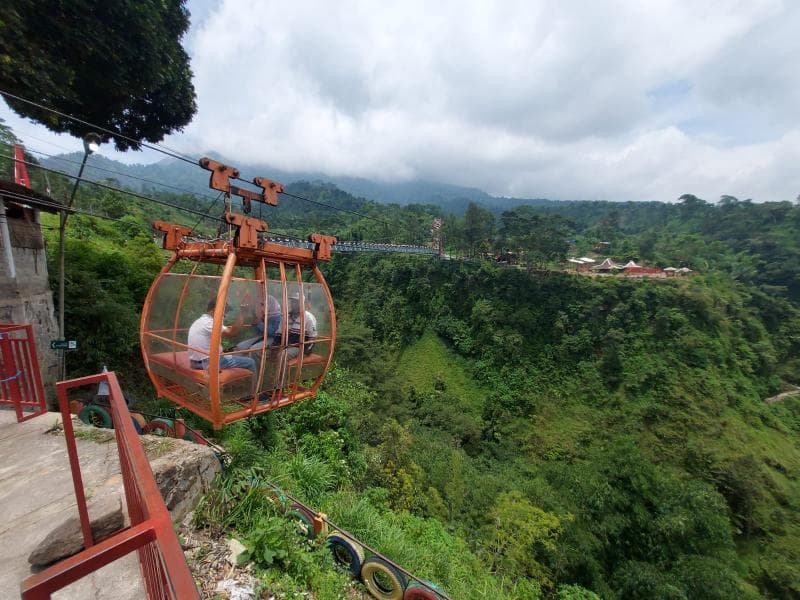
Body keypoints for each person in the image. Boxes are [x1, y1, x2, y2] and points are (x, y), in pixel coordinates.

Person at [188, 297, 256, 372]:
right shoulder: (210, 323)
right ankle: (254, 383)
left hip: (195, 362)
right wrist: (242, 312)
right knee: (251, 362)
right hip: (207, 363)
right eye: (224, 311)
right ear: (214, 310)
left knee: (235, 355)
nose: (225, 315)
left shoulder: (200, 321)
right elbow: (232, 332)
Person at [283, 291, 317, 358]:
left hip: (300, 347)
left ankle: (281, 368)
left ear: (302, 304)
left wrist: (306, 352)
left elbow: (313, 337)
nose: (293, 304)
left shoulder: (308, 317)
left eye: (296, 302)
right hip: (287, 345)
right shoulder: (288, 316)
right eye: (292, 302)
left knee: (283, 355)